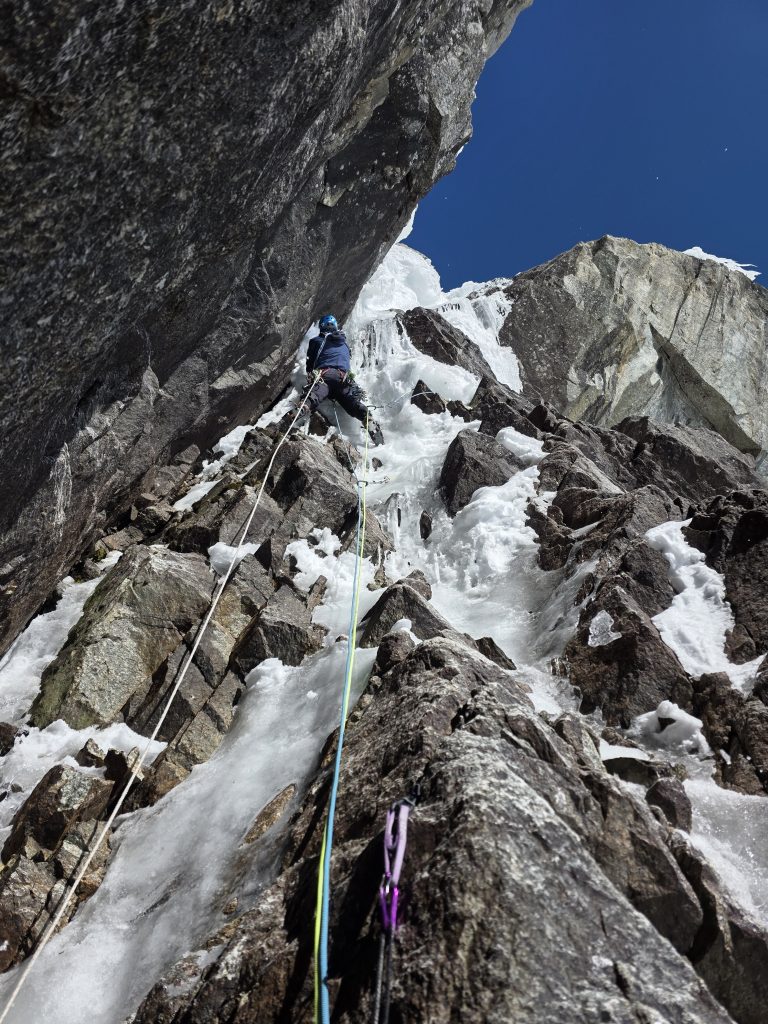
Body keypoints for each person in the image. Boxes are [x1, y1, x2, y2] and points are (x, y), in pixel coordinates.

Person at [301, 314, 384, 445]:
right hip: (343, 379)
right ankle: (365, 416)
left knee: (318, 392)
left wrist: (310, 375)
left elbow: (310, 363)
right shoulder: (344, 344)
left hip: (325, 374)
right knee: (350, 402)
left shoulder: (316, 341)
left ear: (322, 327)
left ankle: (305, 406)